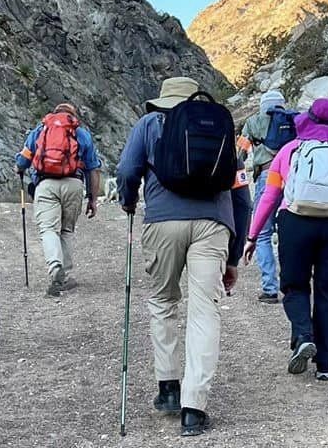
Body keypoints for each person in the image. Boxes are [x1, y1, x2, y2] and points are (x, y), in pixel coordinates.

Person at [117, 77, 252, 438]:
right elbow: (242, 197)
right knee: (204, 310)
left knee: (163, 301)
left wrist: (129, 201)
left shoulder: (149, 124)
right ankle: (194, 408)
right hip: (213, 225)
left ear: (162, 100)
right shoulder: (219, 126)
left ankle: (168, 388)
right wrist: (233, 258)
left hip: (162, 222)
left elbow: (127, 171)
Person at [243, 97, 328, 383]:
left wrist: (253, 235)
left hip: (295, 224)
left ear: (309, 120)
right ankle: (326, 366)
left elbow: (269, 197)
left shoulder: (289, 151)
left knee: (295, 286)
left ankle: (304, 336)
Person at [16, 102, 102, 297]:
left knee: (48, 229)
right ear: (73, 115)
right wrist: (92, 198)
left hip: (46, 184)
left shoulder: (40, 130)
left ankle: (55, 267)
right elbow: (93, 169)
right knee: (66, 230)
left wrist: (19, 168)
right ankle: (66, 275)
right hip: (74, 184)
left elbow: (23, 160)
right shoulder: (81, 134)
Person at [238, 89, 292, 303]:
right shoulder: (294, 121)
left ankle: (270, 288)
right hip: (292, 178)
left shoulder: (253, 122)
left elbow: (239, 154)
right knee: (289, 233)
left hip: (268, 178)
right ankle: (292, 286)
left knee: (262, 233)